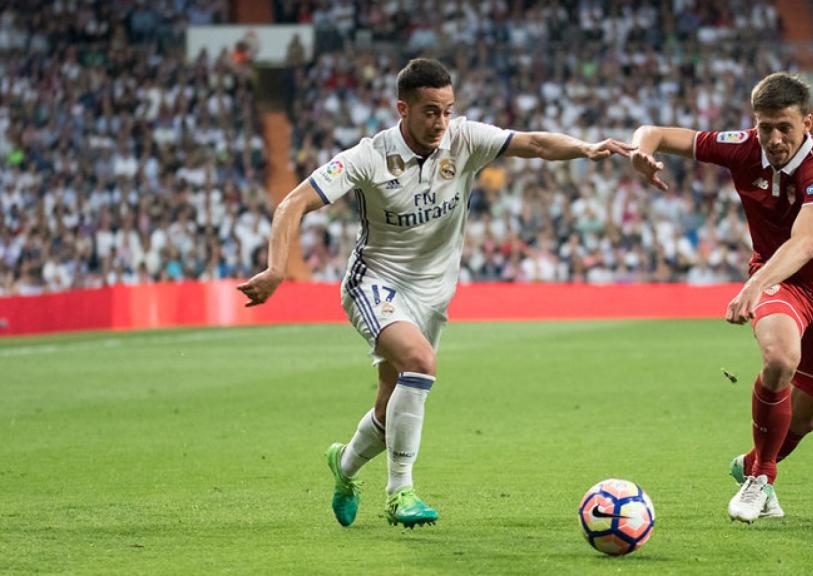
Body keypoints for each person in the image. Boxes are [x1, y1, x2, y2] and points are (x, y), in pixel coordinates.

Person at [237, 58, 632, 528]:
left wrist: (585, 148)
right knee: (421, 364)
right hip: (375, 282)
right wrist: (277, 268)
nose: (440, 122)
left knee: (389, 406)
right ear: (402, 108)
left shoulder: (463, 138)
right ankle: (399, 491)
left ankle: (343, 467)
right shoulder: (369, 156)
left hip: (434, 295)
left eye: (447, 110)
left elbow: (535, 143)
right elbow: (293, 201)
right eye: (429, 111)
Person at [629, 72, 813, 523]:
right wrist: (643, 151)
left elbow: (807, 241)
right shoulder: (742, 147)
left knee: (808, 417)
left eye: (785, 128)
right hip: (782, 282)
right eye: (765, 127)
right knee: (779, 359)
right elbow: (655, 132)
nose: (774, 139)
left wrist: (753, 286)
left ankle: (751, 464)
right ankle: (762, 480)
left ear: (807, 124)